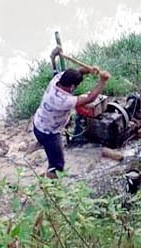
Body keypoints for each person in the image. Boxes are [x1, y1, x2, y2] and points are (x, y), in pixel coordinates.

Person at [33, 47, 110, 179]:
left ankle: (44, 146)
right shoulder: (63, 100)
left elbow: (78, 72)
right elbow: (90, 98)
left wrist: (88, 70)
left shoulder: (57, 80)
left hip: (39, 122)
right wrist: (102, 81)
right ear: (73, 87)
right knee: (58, 164)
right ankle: (53, 188)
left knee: (50, 149)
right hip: (49, 132)